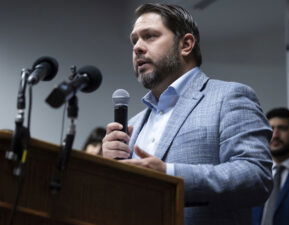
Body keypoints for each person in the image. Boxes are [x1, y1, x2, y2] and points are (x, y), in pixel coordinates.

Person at [101, 3, 273, 225]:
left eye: (150, 36)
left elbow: (256, 177)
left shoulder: (229, 97)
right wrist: (108, 169)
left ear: (186, 44)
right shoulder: (133, 124)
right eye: (134, 40)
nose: (137, 47)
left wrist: (170, 175)